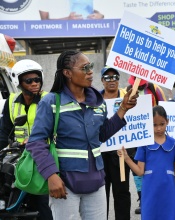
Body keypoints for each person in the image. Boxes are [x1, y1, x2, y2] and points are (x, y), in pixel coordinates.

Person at [25, 50, 138, 220]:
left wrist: (123, 109)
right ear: (67, 73)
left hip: (97, 183)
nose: (90, 71)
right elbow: (36, 142)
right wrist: (51, 175)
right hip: (64, 184)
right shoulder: (51, 101)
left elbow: (101, 135)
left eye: (91, 67)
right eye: (85, 68)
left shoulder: (98, 103)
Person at [0, 59, 53, 219]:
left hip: (45, 156)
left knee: (44, 201)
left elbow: (57, 129)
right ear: (19, 82)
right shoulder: (11, 102)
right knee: (8, 186)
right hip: (21, 156)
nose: (35, 83)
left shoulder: (49, 100)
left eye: (37, 79)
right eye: (29, 81)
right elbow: (4, 132)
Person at [117, 105, 175, 220]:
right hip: (149, 191)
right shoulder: (144, 144)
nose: (158, 128)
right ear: (149, 124)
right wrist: (126, 158)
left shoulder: (173, 143)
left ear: (167, 121)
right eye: (154, 125)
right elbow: (139, 171)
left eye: (162, 124)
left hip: (169, 190)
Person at [126, 76, 166, 214]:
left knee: (152, 168)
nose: (139, 86)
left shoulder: (155, 89)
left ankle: (156, 198)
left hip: (153, 136)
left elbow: (164, 109)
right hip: (135, 137)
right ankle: (142, 199)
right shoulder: (127, 91)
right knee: (137, 170)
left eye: (142, 85)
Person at [100, 66, 133, 219]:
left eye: (115, 77)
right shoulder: (94, 99)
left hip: (121, 154)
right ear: (102, 81)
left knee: (122, 193)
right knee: (101, 194)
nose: (111, 80)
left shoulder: (129, 97)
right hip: (100, 155)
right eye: (107, 77)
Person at [39, 0, 104, 20]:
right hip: (61, 39)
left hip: (88, 34)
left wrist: (99, 16)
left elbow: (99, 14)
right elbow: (44, 22)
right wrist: (67, 19)